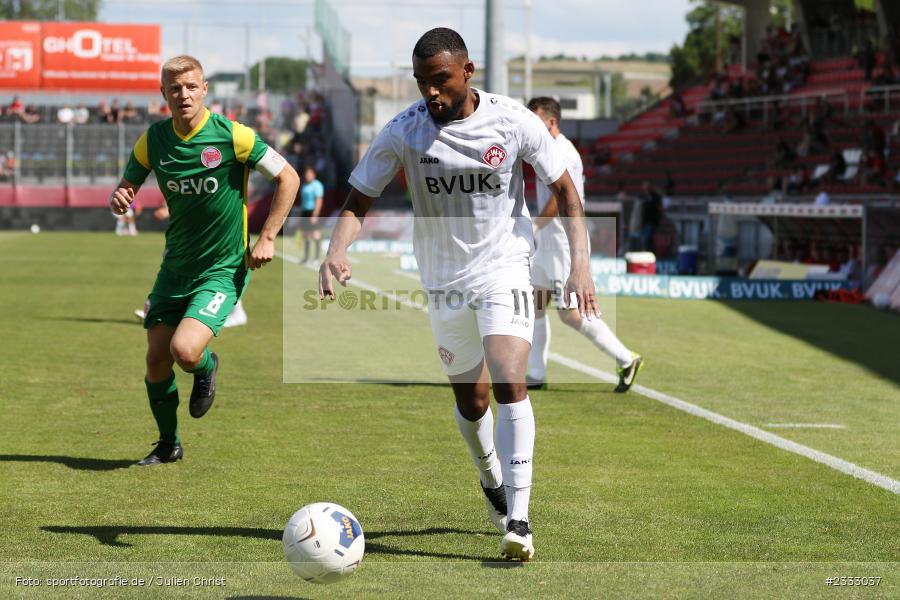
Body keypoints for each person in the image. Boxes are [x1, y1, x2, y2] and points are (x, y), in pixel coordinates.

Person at [318, 28, 596, 561]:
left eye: (440, 80)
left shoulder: (514, 121)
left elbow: (566, 191)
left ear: (467, 72)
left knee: (510, 376)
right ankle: (490, 478)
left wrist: (580, 268)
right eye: (422, 82)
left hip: (505, 268)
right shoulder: (403, 131)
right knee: (471, 400)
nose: (430, 93)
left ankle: (519, 517)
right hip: (444, 280)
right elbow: (358, 200)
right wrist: (336, 249)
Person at [109, 55, 299, 467]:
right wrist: (121, 197)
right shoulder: (152, 140)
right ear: (164, 94)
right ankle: (167, 444)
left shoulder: (233, 136)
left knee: (185, 350)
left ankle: (207, 367)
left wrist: (267, 236)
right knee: (156, 358)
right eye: (175, 89)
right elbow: (126, 187)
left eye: (191, 87)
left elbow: (289, 177)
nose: (184, 95)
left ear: (205, 89)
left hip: (222, 268)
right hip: (174, 267)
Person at [525, 97, 643, 394]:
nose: (529, 124)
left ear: (552, 122)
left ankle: (626, 358)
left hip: (563, 242)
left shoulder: (563, 151)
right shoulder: (546, 147)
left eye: (535, 118)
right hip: (549, 240)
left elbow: (560, 199)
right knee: (535, 304)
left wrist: (532, 226)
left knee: (570, 314)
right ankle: (536, 374)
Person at [132, 204, 249, 328]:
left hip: (213, 237)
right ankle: (160, 309)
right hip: (185, 235)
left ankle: (232, 312)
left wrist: (267, 238)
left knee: (212, 272)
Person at [299, 165, 325, 263]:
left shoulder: (317, 185)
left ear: (314, 175)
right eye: (306, 174)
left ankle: (316, 258)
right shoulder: (304, 185)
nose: (308, 176)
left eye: (310, 174)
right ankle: (306, 257)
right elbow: (303, 201)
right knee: (305, 235)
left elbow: (319, 200)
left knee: (315, 235)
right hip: (305, 212)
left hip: (313, 212)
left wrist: (315, 215)